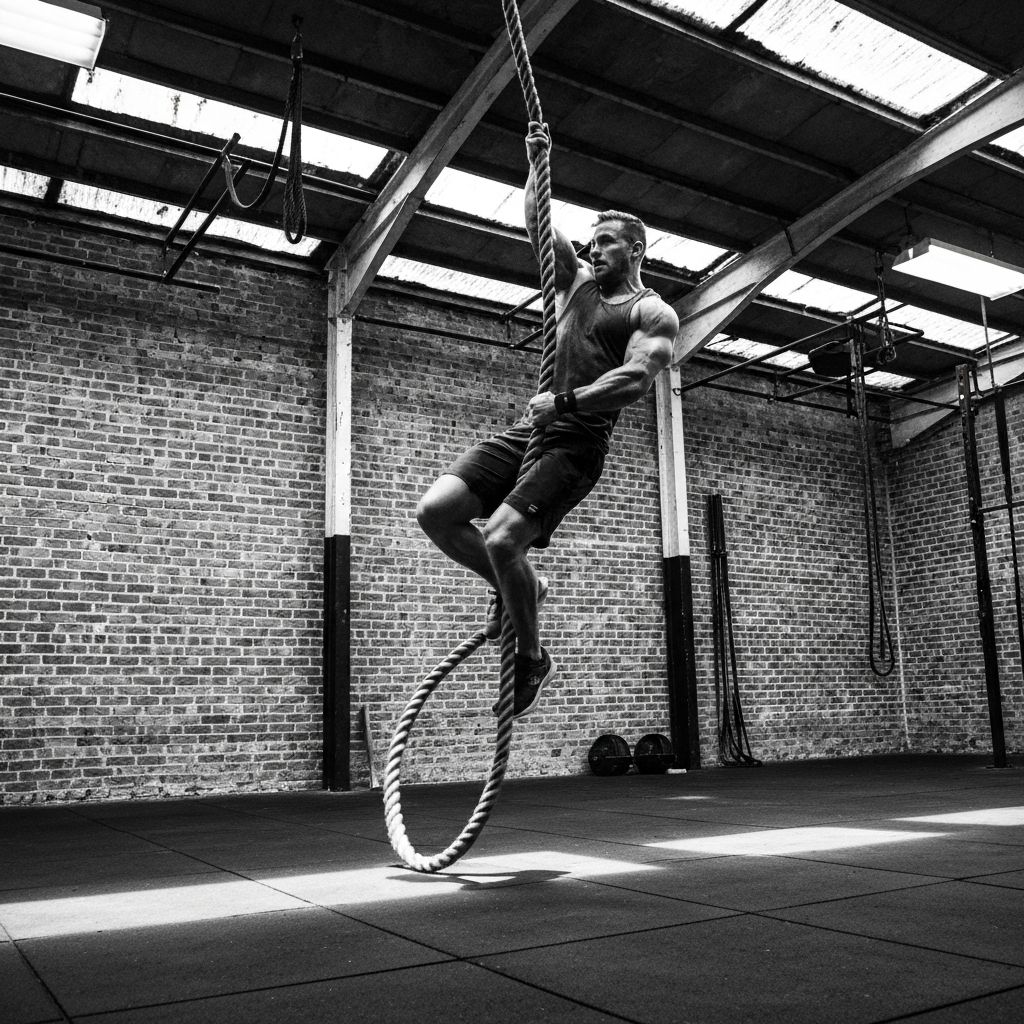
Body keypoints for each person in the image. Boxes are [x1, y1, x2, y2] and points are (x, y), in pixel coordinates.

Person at [416, 121, 679, 720]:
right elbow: (538, 225)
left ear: (635, 250)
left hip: (575, 441)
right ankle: (522, 588)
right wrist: (537, 162)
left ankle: (532, 654)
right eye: (593, 241)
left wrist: (564, 404)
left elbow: (634, 381)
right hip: (531, 432)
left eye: (607, 241)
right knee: (436, 511)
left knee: (504, 536)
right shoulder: (575, 284)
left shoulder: (649, 311)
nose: (594, 250)